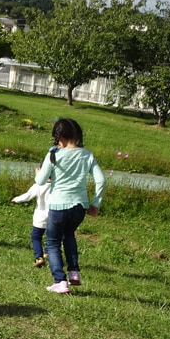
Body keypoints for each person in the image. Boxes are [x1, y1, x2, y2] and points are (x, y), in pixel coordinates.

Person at [36, 118, 106, 294]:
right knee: (69, 235)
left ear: (59, 136)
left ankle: (60, 281)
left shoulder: (54, 154)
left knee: (52, 243)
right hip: (79, 206)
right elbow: (101, 180)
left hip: (58, 205)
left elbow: (41, 181)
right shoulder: (87, 155)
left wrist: (39, 173)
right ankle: (74, 272)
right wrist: (95, 203)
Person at [12, 166, 51, 267]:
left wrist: (16, 199)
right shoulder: (58, 185)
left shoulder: (38, 185)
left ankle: (39, 257)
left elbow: (27, 196)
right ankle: (47, 252)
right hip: (54, 217)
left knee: (36, 237)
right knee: (52, 237)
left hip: (40, 217)